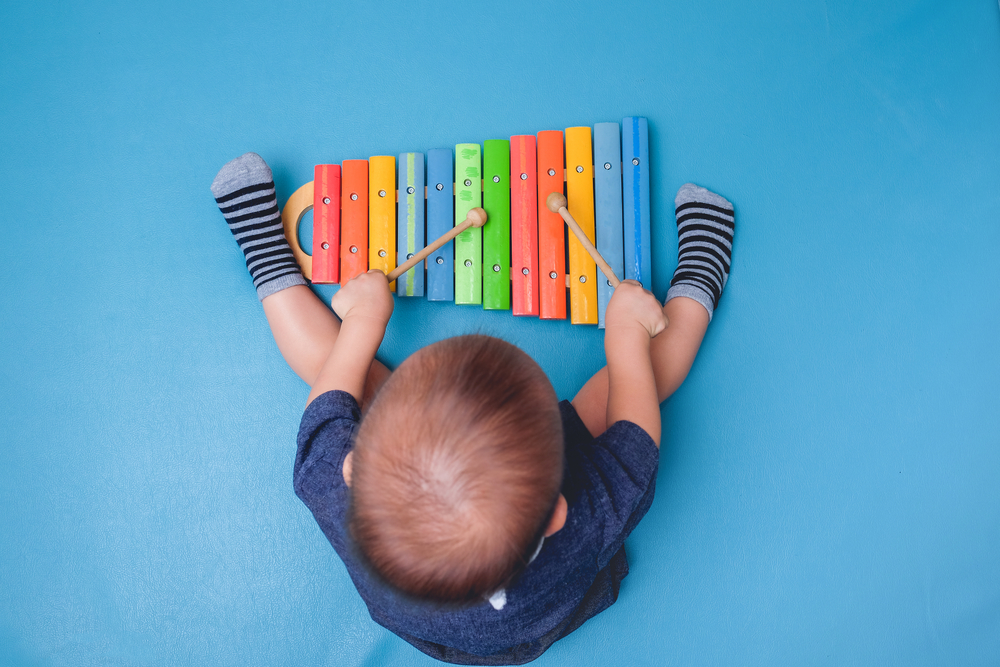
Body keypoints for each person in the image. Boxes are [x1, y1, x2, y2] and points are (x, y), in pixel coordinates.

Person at [211, 152, 735, 664]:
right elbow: (637, 430)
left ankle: (264, 252)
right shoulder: (589, 518)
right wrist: (625, 333)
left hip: (431, 624)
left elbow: (329, 398)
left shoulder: (334, 485)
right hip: (549, 609)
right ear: (556, 510)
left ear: (354, 465)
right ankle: (700, 278)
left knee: (343, 367)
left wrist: (362, 324)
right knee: (626, 381)